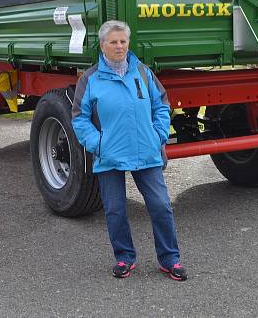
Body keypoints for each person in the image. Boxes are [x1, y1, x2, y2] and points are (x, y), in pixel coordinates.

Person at [71, 20, 187, 281]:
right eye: (113, 41)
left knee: (160, 206)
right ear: (102, 45)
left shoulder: (143, 73)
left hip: (146, 152)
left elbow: (162, 106)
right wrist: (97, 143)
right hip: (109, 155)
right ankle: (124, 257)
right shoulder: (90, 79)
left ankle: (170, 259)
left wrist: (158, 136)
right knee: (115, 209)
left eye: (123, 41)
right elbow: (79, 117)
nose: (119, 46)